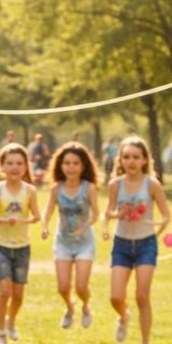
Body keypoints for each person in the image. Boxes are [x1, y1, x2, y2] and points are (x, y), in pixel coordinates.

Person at [101, 135, 171, 344]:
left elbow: (166, 215)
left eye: (136, 157)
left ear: (144, 160)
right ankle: (123, 316)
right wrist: (113, 217)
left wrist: (159, 229)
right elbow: (107, 213)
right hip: (121, 244)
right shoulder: (115, 185)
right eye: (126, 157)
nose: (131, 161)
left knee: (142, 296)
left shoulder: (152, 184)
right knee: (115, 296)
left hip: (146, 244)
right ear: (120, 159)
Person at [0, 143, 41, 344]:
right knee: (5, 292)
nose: (14, 167)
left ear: (25, 166)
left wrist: (25, 221)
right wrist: (0, 219)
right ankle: (0, 332)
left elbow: (37, 216)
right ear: (2, 166)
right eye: (10, 163)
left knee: (18, 295)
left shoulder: (30, 191)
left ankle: (11, 322)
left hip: (22, 247)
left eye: (19, 163)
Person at [40, 141, 100, 331]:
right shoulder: (56, 188)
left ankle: (85, 306)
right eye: (67, 163)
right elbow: (48, 210)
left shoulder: (89, 188)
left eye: (75, 163)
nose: (71, 167)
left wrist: (85, 226)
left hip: (84, 244)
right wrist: (44, 225)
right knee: (63, 287)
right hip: (63, 243)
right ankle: (69, 308)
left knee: (81, 287)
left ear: (83, 166)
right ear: (60, 165)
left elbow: (97, 214)